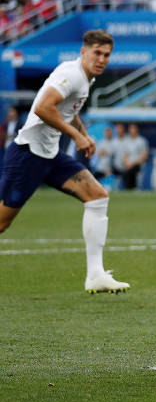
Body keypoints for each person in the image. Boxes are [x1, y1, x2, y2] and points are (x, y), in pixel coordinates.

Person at [0, 30, 129, 293]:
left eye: (106, 54)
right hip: (27, 154)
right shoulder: (72, 75)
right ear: (83, 52)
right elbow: (42, 108)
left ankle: (95, 276)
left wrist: (82, 132)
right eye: (97, 53)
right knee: (2, 223)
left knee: (97, 196)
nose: (102, 59)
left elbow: (67, 110)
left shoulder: (85, 78)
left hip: (49, 154)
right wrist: (75, 137)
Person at [119, 123, 148, 190]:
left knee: (130, 172)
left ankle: (134, 188)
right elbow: (124, 155)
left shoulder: (141, 141)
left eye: (133, 129)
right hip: (128, 165)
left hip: (137, 165)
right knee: (125, 172)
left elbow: (144, 156)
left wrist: (133, 164)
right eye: (130, 129)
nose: (131, 130)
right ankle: (129, 189)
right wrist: (126, 163)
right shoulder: (127, 141)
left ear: (136, 130)